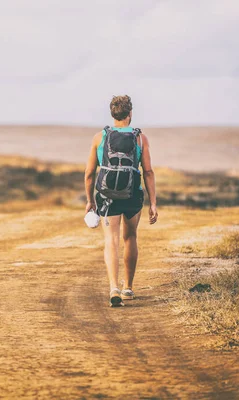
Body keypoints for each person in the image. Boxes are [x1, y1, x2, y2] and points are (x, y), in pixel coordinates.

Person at [84, 95, 158, 307]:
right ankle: (128, 288)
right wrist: (153, 202)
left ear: (112, 114)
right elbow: (149, 171)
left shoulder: (100, 138)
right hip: (133, 194)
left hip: (107, 197)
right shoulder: (140, 139)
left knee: (111, 240)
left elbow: (90, 173)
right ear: (130, 113)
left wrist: (90, 201)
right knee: (130, 237)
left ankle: (113, 287)